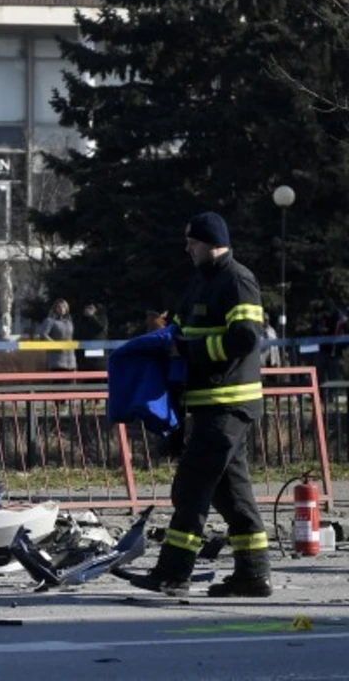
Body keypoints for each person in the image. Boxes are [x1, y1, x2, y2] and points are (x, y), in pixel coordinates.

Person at [127, 211, 271, 598]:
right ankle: (252, 574)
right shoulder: (198, 283)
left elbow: (244, 338)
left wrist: (188, 350)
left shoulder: (237, 280)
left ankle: (173, 573)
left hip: (229, 405)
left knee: (191, 488)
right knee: (231, 494)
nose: (187, 248)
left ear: (211, 243)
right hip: (207, 406)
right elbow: (175, 329)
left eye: (192, 242)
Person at [38, 299, 76, 374]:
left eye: (64, 307)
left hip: (71, 361)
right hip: (57, 361)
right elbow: (43, 334)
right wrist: (55, 345)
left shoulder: (69, 322)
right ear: (55, 308)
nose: (62, 309)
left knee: (71, 385)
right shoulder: (50, 321)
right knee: (58, 384)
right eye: (59, 307)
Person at [74, 302, 108, 372]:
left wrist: (92, 316)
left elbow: (101, 327)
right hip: (85, 355)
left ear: (96, 309)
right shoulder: (82, 320)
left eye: (91, 308)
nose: (88, 310)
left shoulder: (102, 318)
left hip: (99, 354)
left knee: (99, 372)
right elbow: (77, 334)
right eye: (87, 308)